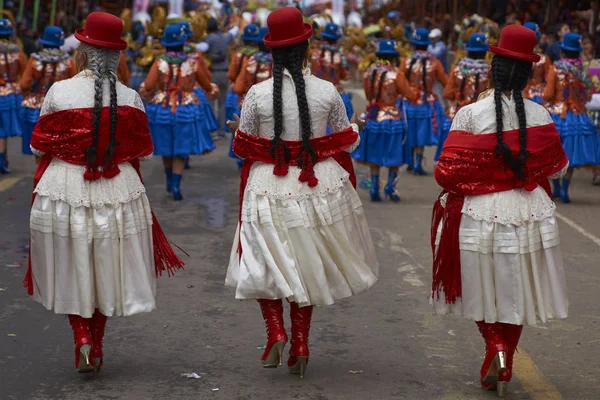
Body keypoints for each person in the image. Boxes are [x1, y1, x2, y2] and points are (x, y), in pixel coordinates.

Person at [25, 12, 184, 373]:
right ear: (116, 56)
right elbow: (142, 151)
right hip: (119, 192)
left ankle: (81, 337)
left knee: (72, 266)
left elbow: (39, 146)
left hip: (65, 190)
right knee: (103, 268)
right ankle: (95, 345)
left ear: (82, 51)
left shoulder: (59, 92)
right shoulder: (130, 97)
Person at [225, 7, 378, 379]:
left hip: (268, 185)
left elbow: (245, 146)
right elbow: (346, 140)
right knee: (305, 265)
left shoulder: (258, 94)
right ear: (307, 49)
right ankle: (301, 344)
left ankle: (276, 331)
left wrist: (237, 131)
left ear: (272, 53)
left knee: (265, 261)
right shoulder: (328, 91)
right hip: (316, 186)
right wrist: (355, 128)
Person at [431, 25, 569, 398]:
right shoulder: (541, 116)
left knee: (482, 285)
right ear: (528, 75)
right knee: (517, 289)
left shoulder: (471, 114)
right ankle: (504, 356)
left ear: (493, 69)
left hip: (481, 213)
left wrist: (484, 177)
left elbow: (446, 171)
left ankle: (495, 347)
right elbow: (558, 167)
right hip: (531, 213)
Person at [140, 23, 215, 200]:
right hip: (186, 109)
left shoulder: (159, 62)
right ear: (183, 42)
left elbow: (149, 86)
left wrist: (149, 90)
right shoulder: (193, 63)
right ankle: (175, 186)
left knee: (166, 147)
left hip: (162, 108)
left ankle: (168, 182)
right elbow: (206, 85)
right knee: (180, 150)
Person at [351, 39, 416, 202]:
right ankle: (390, 187)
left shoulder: (368, 73)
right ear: (394, 57)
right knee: (394, 154)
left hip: (372, 118)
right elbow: (411, 95)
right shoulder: (396, 75)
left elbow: (367, 96)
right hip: (392, 118)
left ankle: (374, 188)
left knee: (375, 153)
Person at [543, 32, 600, 203]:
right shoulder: (583, 70)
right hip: (578, 115)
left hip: (558, 116)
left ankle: (557, 189)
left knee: (554, 154)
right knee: (570, 156)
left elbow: (548, 94)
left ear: (563, 52)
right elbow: (588, 96)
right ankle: (566, 190)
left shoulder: (555, 68)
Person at [20, 26, 76, 156]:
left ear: (43, 41)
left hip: (36, 106)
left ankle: (39, 172)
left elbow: (24, 84)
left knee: (38, 146)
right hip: (60, 108)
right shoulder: (69, 62)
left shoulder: (34, 60)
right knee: (55, 145)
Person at [436, 33, 490, 161]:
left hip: (456, 113)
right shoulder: (490, 71)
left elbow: (447, 93)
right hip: (482, 116)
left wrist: (459, 94)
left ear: (468, 51)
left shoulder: (458, 69)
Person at [402, 27, 448, 175]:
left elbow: (400, 82)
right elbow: (445, 82)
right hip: (427, 102)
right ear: (427, 44)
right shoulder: (434, 62)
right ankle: (418, 163)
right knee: (421, 131)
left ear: (413, 44)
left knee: (410, 130)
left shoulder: (406, 62)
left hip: (409, 102)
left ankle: (410, 161)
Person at [203, 18, 240, 135]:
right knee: (222, 102)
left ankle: (213, 131)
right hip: (224, 73)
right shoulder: (225, 37)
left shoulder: (209, 38)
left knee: (212, 101)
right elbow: (234, 32)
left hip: (212, 73)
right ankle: (222, 130)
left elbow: (203, 48)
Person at [310, 22, 354, 122]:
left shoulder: (315, 54)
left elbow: (313, 73)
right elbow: (343, 75)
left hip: (317, 93)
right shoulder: (339, 56)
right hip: (336, 93)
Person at [0, 18, 26, 174]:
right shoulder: (18, 53)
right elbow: (24, 75)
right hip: (10, 96)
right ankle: (3, 160)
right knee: (3, 130)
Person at [523, 22, 551, 105]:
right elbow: (548, 80)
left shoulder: (516, 57)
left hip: (517, 96)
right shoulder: (543, 59)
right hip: (538, 99)